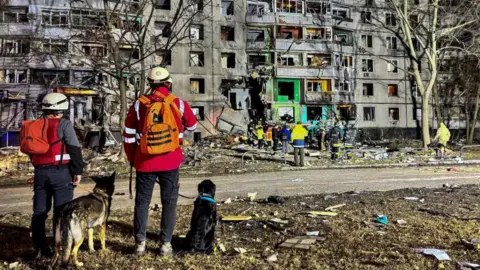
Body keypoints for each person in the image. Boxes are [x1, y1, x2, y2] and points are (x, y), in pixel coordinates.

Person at [123, 67, 197, 256]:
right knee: (169, 203)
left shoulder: (140, 104)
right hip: (170, 161)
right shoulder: (177, 103)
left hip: (144, 161)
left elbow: (128, 134)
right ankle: (165, 244)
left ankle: (140, 244)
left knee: (142, 203)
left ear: (150, 84)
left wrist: (133, 157)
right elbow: (193, 125)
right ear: (168, 83)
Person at [25, 93, 84, 258]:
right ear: (62, 108)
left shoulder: (34, 125)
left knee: (39, 212)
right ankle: (59, 248)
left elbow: (31, 150)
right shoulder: (64, 124)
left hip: (40, 173)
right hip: (61, 174)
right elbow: (74, 149)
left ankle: (39, 248)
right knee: (62, 212)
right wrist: (77, 171)